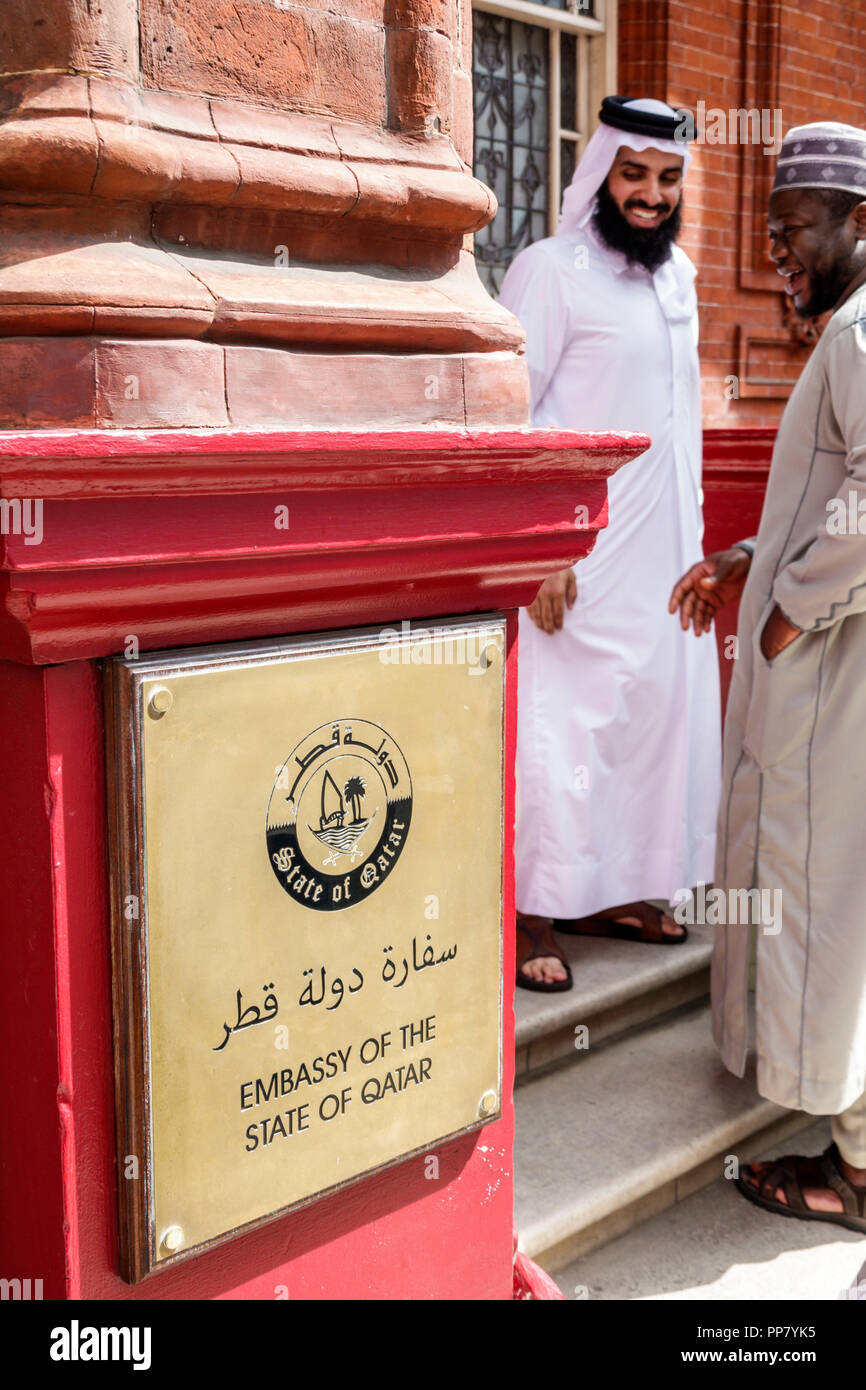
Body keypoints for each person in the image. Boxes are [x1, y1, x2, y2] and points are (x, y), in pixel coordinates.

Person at [671, 121, 866, 1232]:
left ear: (856, 223)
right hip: (830, 672)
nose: (778, 253)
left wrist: (788, 608)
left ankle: (849, 1170)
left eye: (792, 231)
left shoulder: (854, 337)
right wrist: (755, 558)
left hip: (829, 685)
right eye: (771, 232)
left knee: (817, 899)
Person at [499, 96, 721, 992]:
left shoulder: (682, 279)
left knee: (645, 726)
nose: (651, 195)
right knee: (564, 731)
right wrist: (536, 546)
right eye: (635, 175)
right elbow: (513, 418)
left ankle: (617, 891)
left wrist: (700, 551)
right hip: (577, 558)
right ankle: (530, 912)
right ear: (602, 173)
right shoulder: (550, 271)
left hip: (666, 556)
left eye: (668, 179)